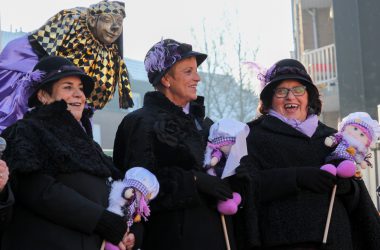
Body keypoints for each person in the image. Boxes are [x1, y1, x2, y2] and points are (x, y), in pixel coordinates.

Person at [234, 59, 380, 250]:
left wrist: (348, 187)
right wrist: (297, 178)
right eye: (281, 91)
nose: (290, 97)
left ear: (308, 96)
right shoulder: (252, 137)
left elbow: (357, 201)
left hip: (337, 241)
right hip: (283, 242)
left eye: (298, 89)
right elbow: (243, 187)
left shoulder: (331, 137)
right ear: (269, 98)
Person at [0, 56, 136, 250]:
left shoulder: (89, 143)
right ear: (43, 96)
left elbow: (113, 188)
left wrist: (127, 231)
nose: (79, 94)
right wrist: (100, 220)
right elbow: (36, 189)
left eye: (80, 88)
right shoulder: (24, 131)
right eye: (68, 87)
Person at [113, 38, 236, 250]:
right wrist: (194, 181)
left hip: (217, 233)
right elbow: (136, 188)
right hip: (173, 237)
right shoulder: (141, 122)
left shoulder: (205, 123)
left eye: (196, 71)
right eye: (188, 72)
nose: (197, 78)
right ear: (167, 79)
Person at [0, 0, 133, 132]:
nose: (115, 28)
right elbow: (50, 55)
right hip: (25, 64)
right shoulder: (72, 19)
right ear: (93, 21)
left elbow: (92, 94)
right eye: (107, 20)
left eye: (119, 22)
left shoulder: (109, 56)